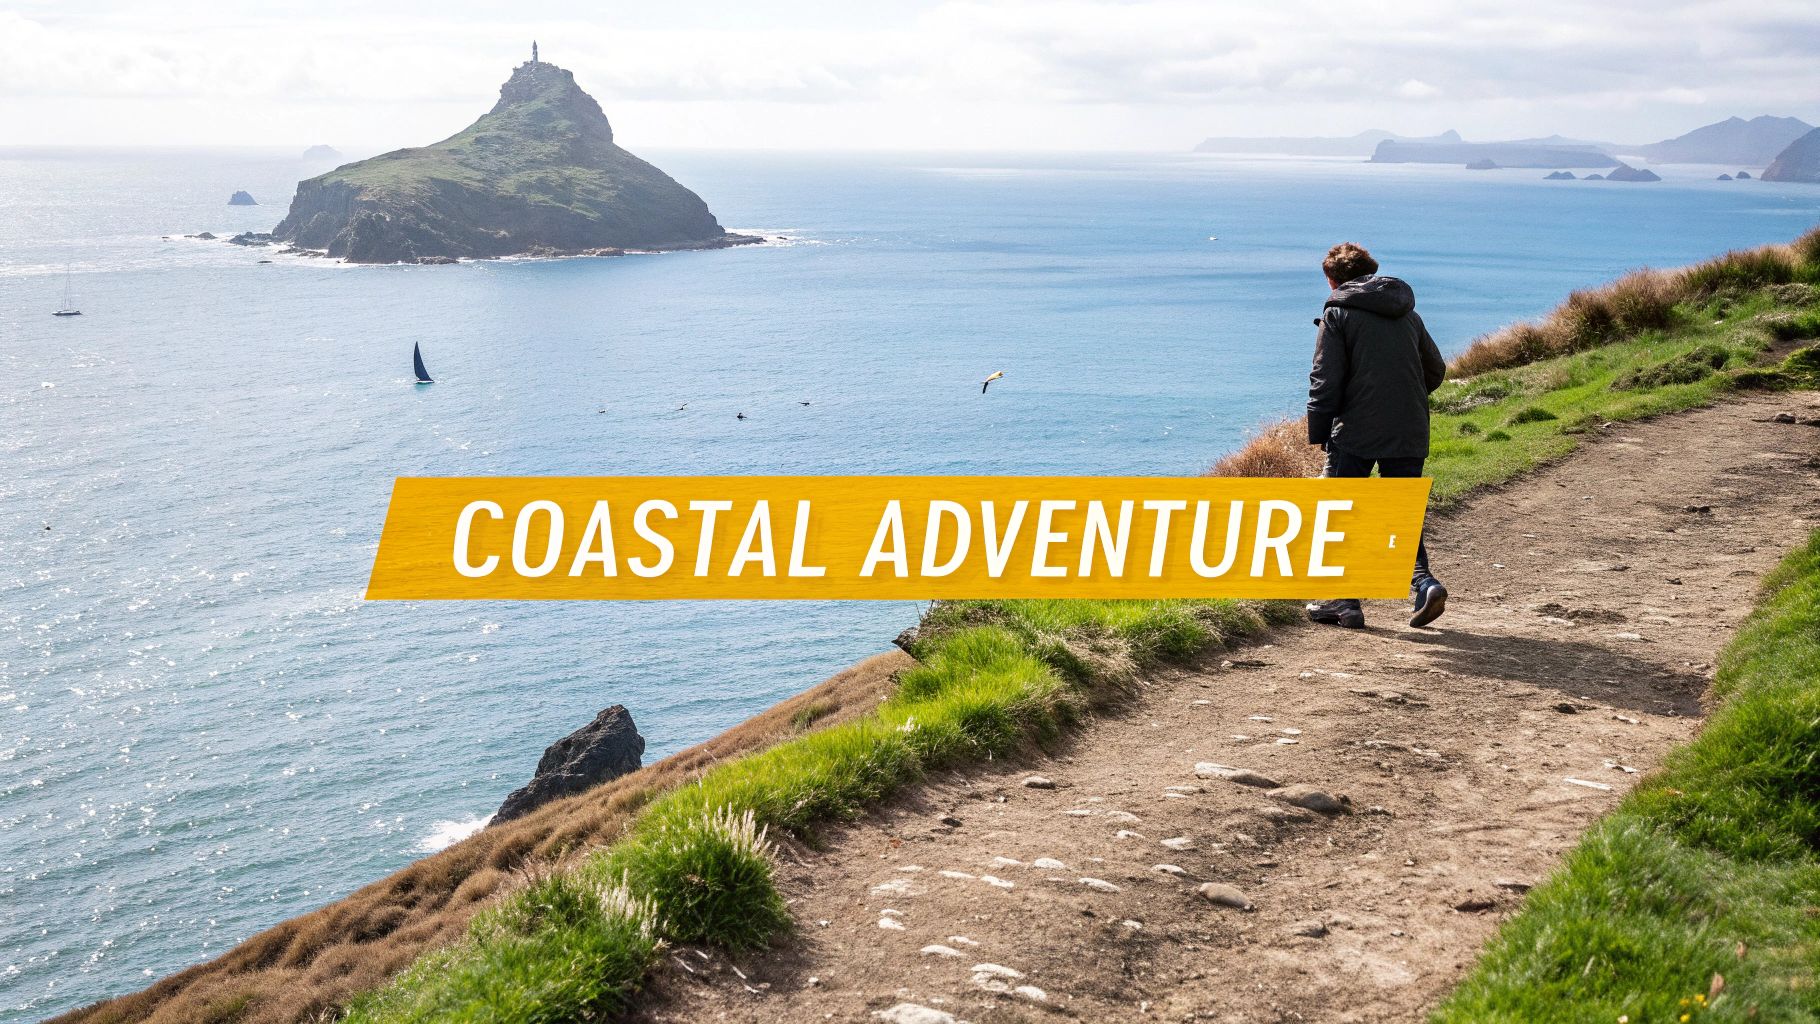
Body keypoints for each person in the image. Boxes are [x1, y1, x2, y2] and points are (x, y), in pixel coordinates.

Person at [1303, 242, 1449, 629]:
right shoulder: (1407, 313)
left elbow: (1324, 380)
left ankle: (1343, 601)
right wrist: (1401, 400)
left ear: (1331, 279)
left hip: (1356, 429)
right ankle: (1423, 583)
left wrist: (1319, 430)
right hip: (1409, 426)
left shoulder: (1338, 313)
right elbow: (1434, 370)